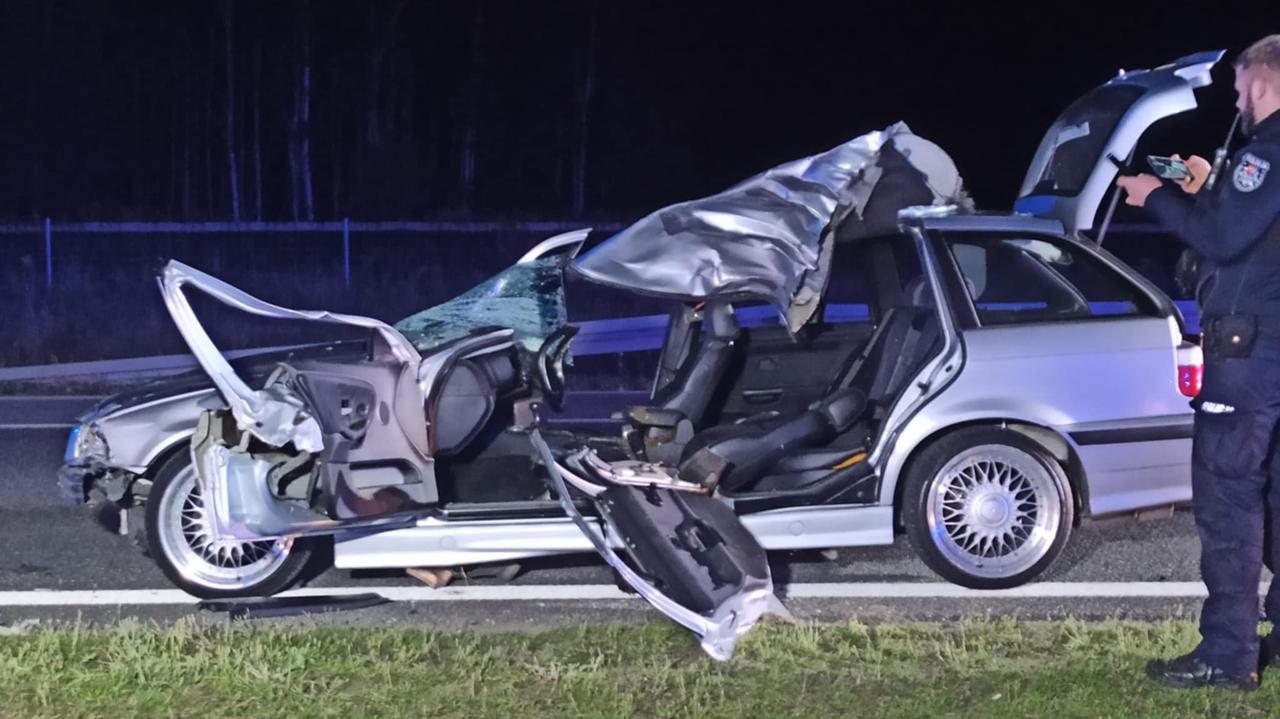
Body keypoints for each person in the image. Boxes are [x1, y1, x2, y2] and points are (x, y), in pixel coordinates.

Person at [1117, 34, 1280, 691]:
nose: (1238, 100)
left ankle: (1227, 652)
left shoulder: (1267, 152)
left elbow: (1216, 239)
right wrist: (1207, 186)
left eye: (1241, 87)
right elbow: (1253, 235)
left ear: (1264, 82)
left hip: (1248, 353)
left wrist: (1155, 195)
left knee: (1229, 504)